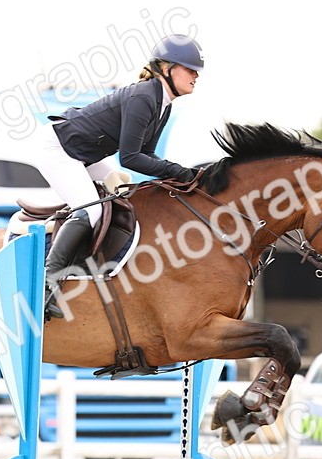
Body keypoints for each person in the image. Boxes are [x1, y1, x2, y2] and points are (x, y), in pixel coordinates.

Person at [36, 34, 204, 319]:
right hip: (58, 149)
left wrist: (181, 176)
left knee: (121, 183)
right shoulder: (144, 96)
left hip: (84, 154)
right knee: (90, 210)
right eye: (190, 69)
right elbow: (131, 156)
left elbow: (146, 156)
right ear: (167, 68)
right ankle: (46, 286)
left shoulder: (163, 104)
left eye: (196, 71)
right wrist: (181, 171)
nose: (195, 75)